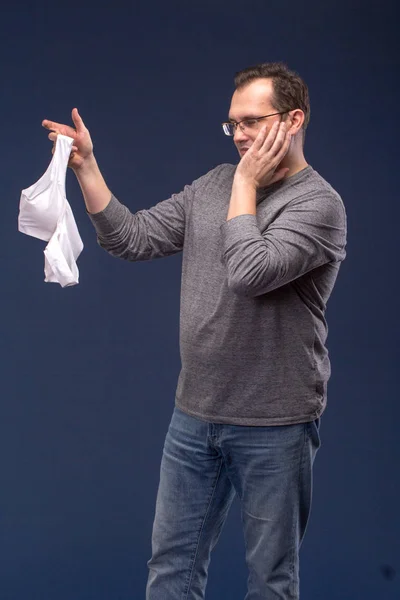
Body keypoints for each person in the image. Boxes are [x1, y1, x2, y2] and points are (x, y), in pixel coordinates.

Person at [42, 62, 347, 600]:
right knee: (171, 569)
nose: (241, 135)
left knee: (271, 582)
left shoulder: (318, 206)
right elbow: (131, 237)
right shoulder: (214, 184)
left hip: (275, 425)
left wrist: (248, 183)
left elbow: (249, 273)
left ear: (294, 119)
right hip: (195, 417)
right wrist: (87, 167)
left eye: (253, 121)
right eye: (234, 124)